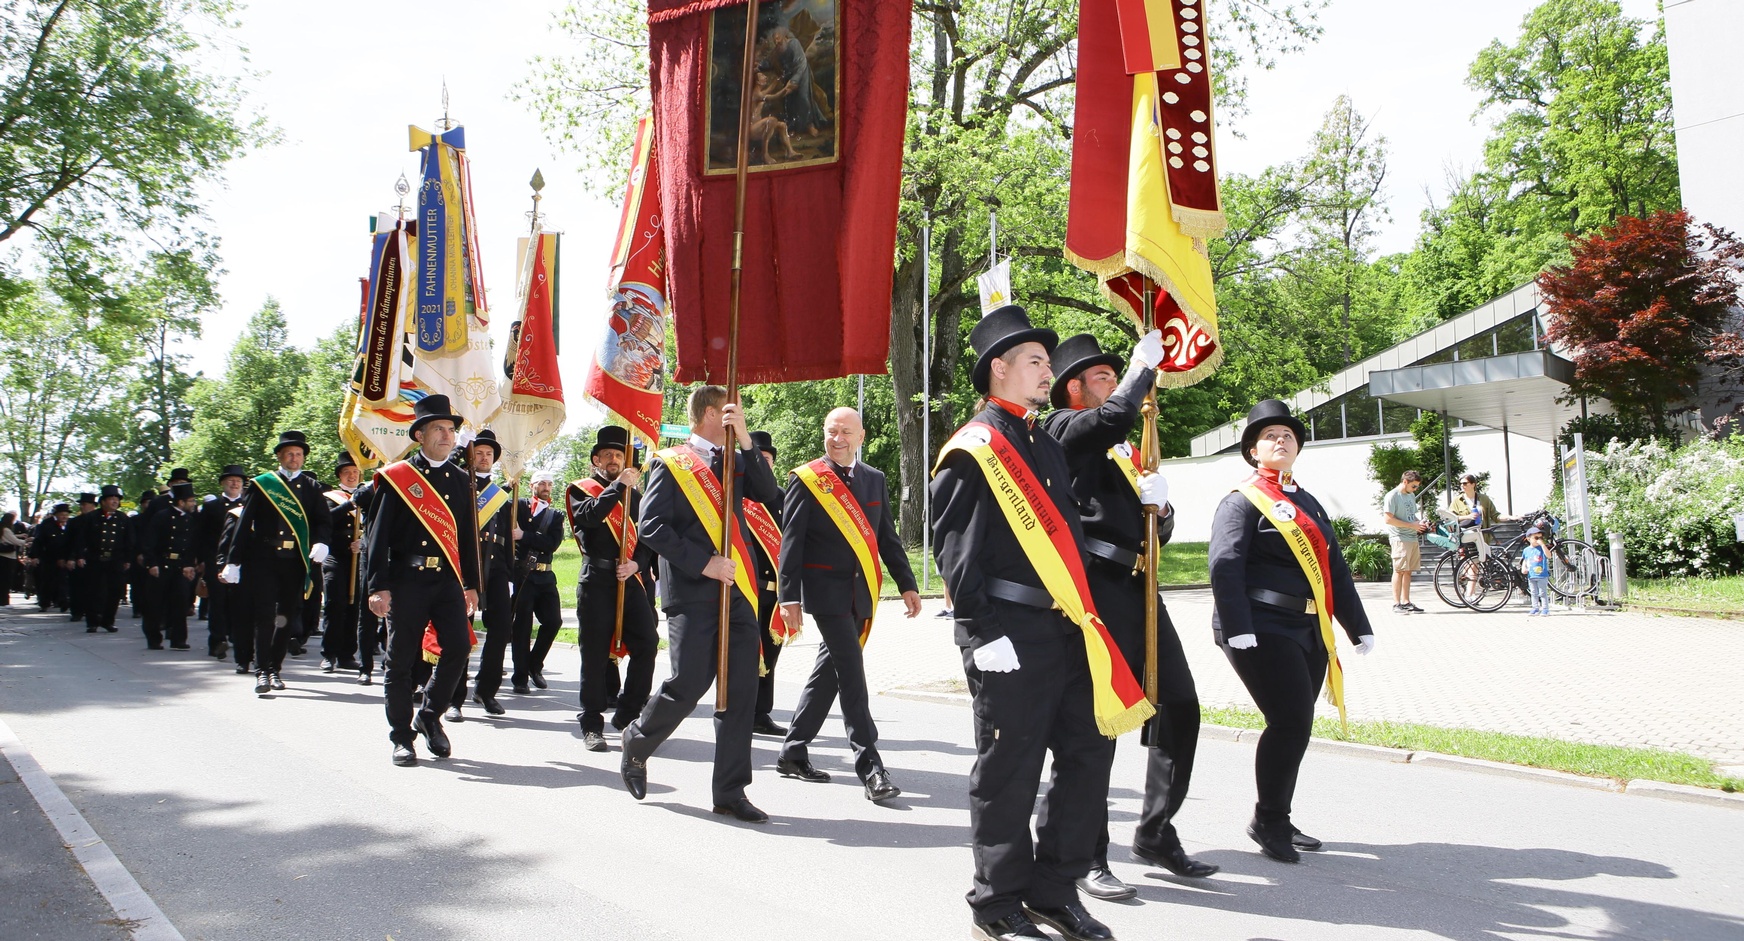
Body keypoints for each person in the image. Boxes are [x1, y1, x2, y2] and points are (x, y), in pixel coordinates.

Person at [931, 306, 1140, 941]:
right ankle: (996, 905)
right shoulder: (974, 447)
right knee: (1009, 771)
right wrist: (980, 631)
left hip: (1068, 629)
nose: (1048, 372)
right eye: (1036, 362)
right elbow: (955, 548)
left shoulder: (1041, 439)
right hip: (1008, 632)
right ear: (999, 369)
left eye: (1048, 363)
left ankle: (1054, 890)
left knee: (1088, 755)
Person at [1041, 332, 1219, 900]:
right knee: (1102, 722)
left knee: (1180, 706)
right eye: (1104, 377)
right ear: (1075, 387)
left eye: (1119, 375)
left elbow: (1153, 531)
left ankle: (1156, 831)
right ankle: (1088, 855)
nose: (1117, 386)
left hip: (1142, 584)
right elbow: (1111, 419)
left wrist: (1160, 509)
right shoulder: (1062, 430)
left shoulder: (1121, 449)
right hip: (1097, 590)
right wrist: (1143, 369)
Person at [1209, 399, 1375, 864]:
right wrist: (1238, 627)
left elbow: (1334, 570)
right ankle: (1269, 821)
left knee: (1296, 727)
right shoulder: (1241, 501)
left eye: (1287, 436)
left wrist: (1358, 628)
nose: (1280, 441)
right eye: (1269, 436)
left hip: (1308, 627)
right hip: (1258, 626)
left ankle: (1276, 813)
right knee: (1290, 720)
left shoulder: (1307, 501)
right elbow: (1224, 567)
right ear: (1252, 451)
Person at [620, 385, 780, 823]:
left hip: (739, 591)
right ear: (713, 413)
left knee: (740, 692)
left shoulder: (736, 459)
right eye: (735, 411)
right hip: (693, 590)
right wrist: (704, 563)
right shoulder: (671, 464)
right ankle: (637, 741)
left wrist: (747, 441)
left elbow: (770, 496)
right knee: (689, 683)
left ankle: (730, 791)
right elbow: (650, 526)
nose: (740, 416)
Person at [774, 407, 920, 803]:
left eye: (845, 432)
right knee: (852, 673)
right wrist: (788, 597)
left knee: (830, 672)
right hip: (825, 594)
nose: (837, 439)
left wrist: (907, 584)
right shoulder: (807, 479)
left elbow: (886, 537)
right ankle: (870, 767)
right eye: (831, 431)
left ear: (861, 436)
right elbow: (792, 542)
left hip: (862, 593)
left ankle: (793, 751)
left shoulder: (874, 479)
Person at [365, 395, 480, 766]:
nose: (448, 435)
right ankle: (401, 736)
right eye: (439, 429)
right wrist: (376, 585)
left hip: (446, 579)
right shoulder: (399, 477)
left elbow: (467, 537)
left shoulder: (462, 479)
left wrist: (471, 584)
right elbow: (377, 535)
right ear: (420, 434)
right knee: (400, 660)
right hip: (405, 580)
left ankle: (430, 715)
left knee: (459, 647)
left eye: (451, 429)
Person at [218, 431, 334, 696]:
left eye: (299, 454)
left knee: (286, 616)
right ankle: (261, 671)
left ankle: (275, 669)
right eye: (290, 454)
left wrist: (321, 542)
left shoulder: (312, 487)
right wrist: (233, 561)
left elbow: (322, 522)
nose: (295, 458)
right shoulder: (262, 484)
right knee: (264, 616)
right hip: (264, 559)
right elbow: (244, 524)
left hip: (294, 561)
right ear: (280, 457)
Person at [565, 426, 658, 750]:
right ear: (596, 461)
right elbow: (589, 518)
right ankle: (591, 722)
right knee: (594, 655)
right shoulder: (582, 490)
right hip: (596, 581)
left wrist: (638, 564)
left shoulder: (638, 495)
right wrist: (618, 487)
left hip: (629, 580)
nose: (615, 460)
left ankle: (628, 711)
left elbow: (648, 537)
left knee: (648, 643)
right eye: (608, 456)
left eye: (619, 455)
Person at [467, 430, 520, 716]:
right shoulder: (461, 487)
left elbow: (508, 539)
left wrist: (510, 575)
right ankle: (453, 694)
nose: (484, 458)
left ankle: (486, 690)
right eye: (479, 453)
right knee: (462, 629)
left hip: (497, 566)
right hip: (468, 565)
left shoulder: (500, 494)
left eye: (489, 454)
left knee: (500, 630)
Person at [746, 430, 788, 737]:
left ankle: (761, 713)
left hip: (776, 591)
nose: (764, 464)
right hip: (746, 588)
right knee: (746, 652)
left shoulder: (783, 496)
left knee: (771, 652)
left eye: (768, 459)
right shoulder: (736, 494)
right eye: (758, 458)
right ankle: (739, 711)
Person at [511, 470, 566, 693]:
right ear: (532, 484)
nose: (546, 487)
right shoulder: (518, 507)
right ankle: (520, 676)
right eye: (542, 483)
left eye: (549, 484)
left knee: (553, 622)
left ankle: (535, 665)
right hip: (523, 575)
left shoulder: (556, 516)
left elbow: (552, 543)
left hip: (546, 576)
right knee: (522, 627)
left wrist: (524, 535)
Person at [319, 454, 366, 675]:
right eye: (347, 472)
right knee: (334, 605)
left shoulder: (366, 496)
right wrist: (350, 503)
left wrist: (363, 543)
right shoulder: (330, 497)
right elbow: (326, 520)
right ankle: (328, 654)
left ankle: (347, 654)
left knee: (353, 606)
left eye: (355, 472)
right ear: (340, 475)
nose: (352, 475)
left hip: (358, 557)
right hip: (335, 556)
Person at [199, 466, 250, 666]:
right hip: (216, 561)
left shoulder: (248, 504)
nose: (235, 483)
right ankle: (217, 641)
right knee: (218, 602)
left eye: (238, 480)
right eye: (230, 480)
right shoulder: (212, 507)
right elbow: (200, 536)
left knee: (239, 602)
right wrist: (200, 561)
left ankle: (238, 638)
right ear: (222, 483)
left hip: (242, 561)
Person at [143, 483, 200, 650]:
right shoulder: (162, 516)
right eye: (190, 501)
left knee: (180, 602)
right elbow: (150, 541)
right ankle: (154, 638)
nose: (193, 504)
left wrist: (189, 564)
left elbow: (191, 545)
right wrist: (151, 563)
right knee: (155, 603)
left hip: (180, 566)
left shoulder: (190, 520)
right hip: (161, 564)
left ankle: (178, 638)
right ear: (181, 502)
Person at [76, 486, 133, 633]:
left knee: (115, 591)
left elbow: (129, 540)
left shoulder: (123, 518)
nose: (114, 502)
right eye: (111, 499)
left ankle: (108, 621)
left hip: (116, 559)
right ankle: (93, 621)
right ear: (103, 501)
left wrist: (127, 558)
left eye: (117, 499)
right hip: (95, 558)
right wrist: (80, 555)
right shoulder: (91, 517)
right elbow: (82, 538)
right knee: (94, 590)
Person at [1382, 470, 1430, 613]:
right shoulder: (1392, 496)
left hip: (1411, 537)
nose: (1415, 489)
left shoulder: (1410, 495)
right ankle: (1396, 604)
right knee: (1399, 570)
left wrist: (1420, 523)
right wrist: (1412, 526)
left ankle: (1406, 601)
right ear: (1405, 482)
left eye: (1417, 487)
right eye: (1414, 486)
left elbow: (1411, 516)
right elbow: (1388, 519)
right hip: (1399, 538)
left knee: (1408, 571)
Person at [28, 504, 71, 613]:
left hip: (65, 557)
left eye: (66, 515)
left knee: (63, 581)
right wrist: (34, 556)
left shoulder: (70, 525)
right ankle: (44, 603)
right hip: (49, 558)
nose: (64, 517)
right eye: (62, 515)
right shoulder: (46, 525)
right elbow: (38, 542)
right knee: (47, 581)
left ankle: (62, 601)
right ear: (56, 515)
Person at [63, 493, 98, 623]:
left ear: (93, 506)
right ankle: (77, 611)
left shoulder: (98, 519)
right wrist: (69, 557)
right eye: (81, 505)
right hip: (76, 557)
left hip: (94, 558)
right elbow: (69, 541)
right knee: (76, 586)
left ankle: (94, 612)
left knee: (94, 587)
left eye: (85, 504)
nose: (82, 507)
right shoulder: (75, 522)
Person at [1520, 527, 1552, 615]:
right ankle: (1535, 607)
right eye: (1536, 538)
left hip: (1542, 575)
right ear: (1529, 539)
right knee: (1533, 592)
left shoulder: (1542, 548)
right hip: (1531, 575)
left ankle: (1545, 608)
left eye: (1540, 538)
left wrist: (1543, 545)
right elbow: (1525, 560)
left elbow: (1549, 556)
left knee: (1542, 592)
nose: (1539, 540)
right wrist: (1524, 568)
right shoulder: (1526, 550)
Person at [0, 511, 24, 606]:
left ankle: (3, 600)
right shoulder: (6, 530)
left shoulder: (2, 529)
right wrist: (26, 541)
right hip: (8, 556)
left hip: (2, 556)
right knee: (7, 580)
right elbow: (15, 541)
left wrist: (19, 536)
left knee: (3, 579)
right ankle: (4, 601)